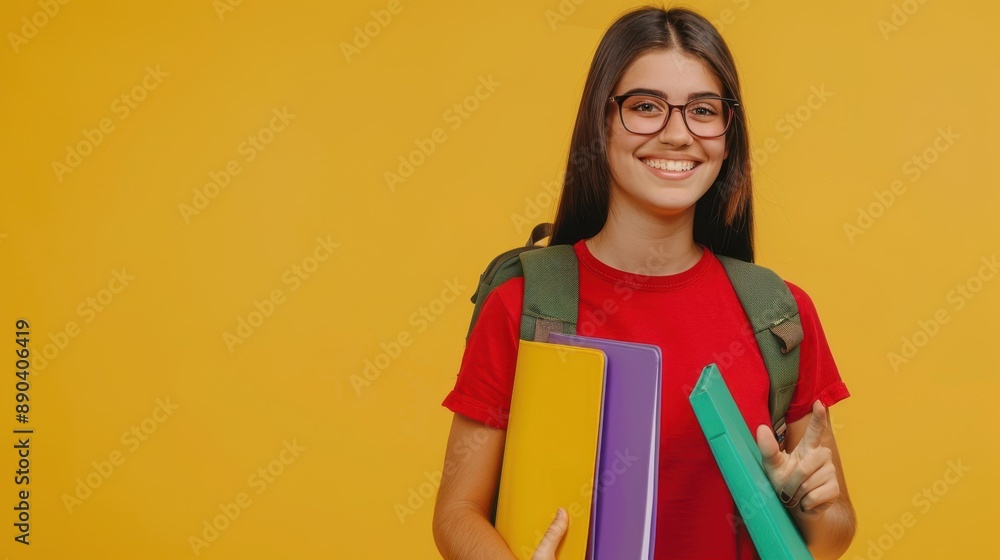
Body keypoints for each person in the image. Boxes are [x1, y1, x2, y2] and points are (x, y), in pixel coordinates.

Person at [432, 6, 856, 559]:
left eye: (703, 110)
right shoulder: (525, 305)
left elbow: (833, 535)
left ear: (728, 136)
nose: (677, 134)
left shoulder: (779, 313)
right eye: (646, 107)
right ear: (601, 121)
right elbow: (456, 514)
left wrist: (811, 503)